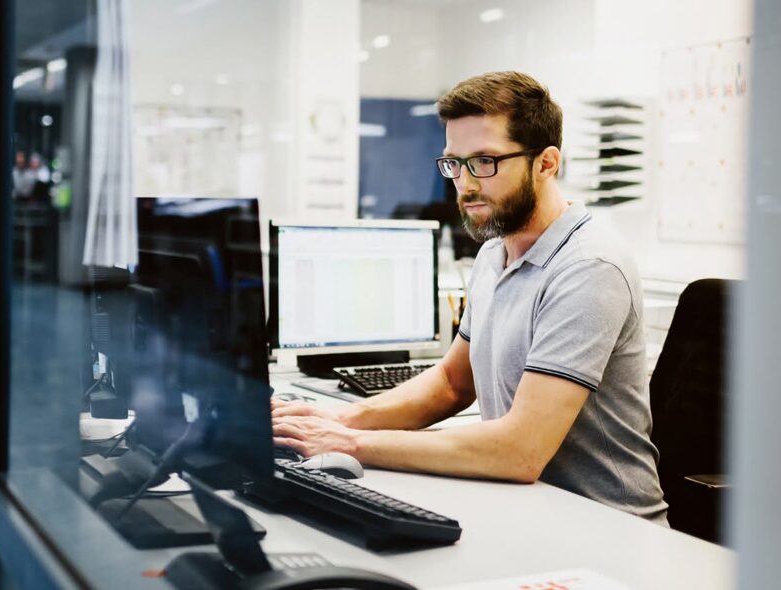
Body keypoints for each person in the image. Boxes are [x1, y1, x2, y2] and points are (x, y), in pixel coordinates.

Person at [272, 71, 668, 525]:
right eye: (454, 163)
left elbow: (520, 450)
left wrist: (347, 443)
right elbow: (452, 384)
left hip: (608, 527)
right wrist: (341, 418)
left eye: (485, 161)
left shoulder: (587, 266)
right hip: (531, 510)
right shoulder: (494, 253)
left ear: (546, 163)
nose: (465, 183)